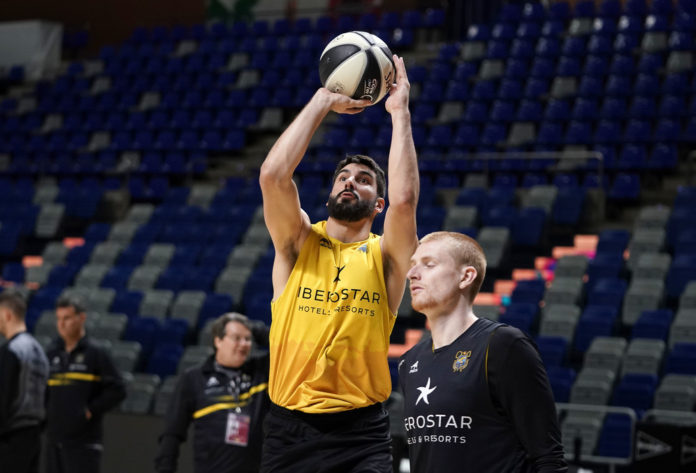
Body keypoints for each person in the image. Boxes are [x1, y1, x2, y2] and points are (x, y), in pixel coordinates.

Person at [258, 54, 419, 473]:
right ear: (330, 193)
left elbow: (405, 201)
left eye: (364, 180)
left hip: (360, 434)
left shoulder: (386, 256)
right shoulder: (297, 241)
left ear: (378, 204)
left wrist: (399, 112)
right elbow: (273, 176)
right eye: (343, 177)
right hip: (288, 428)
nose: (350, 181)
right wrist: (322, 101)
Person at [399, 231, 568, 472]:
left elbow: (548, 457)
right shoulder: (410, 361)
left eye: (429, 264)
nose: (412, 274)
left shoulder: (504, 346)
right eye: (413, 264)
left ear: (466, 276)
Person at [154, 312, 270, 473]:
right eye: (237, 338)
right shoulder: (194, 378)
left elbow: (288, 348)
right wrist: (165, 468)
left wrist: (257, 330)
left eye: (248, 339)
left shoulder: (260, 372)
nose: (244, 344)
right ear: (218, 341)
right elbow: (172, 432)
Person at [44, 295, 126, 473]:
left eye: (67, 318)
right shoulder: (52, 353)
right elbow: (45, 392)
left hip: (84, 442)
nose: (61, 324)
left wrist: (90, 410)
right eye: (59, 319)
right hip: (54, 441)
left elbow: (118, 389)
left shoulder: (95, 353)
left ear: (82, 318)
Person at [0, 291, 49, 473]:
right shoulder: (39, 351)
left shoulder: (12, 350)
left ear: (7, 315)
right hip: (33, 436)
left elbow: (4, 396)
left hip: (10, 437)